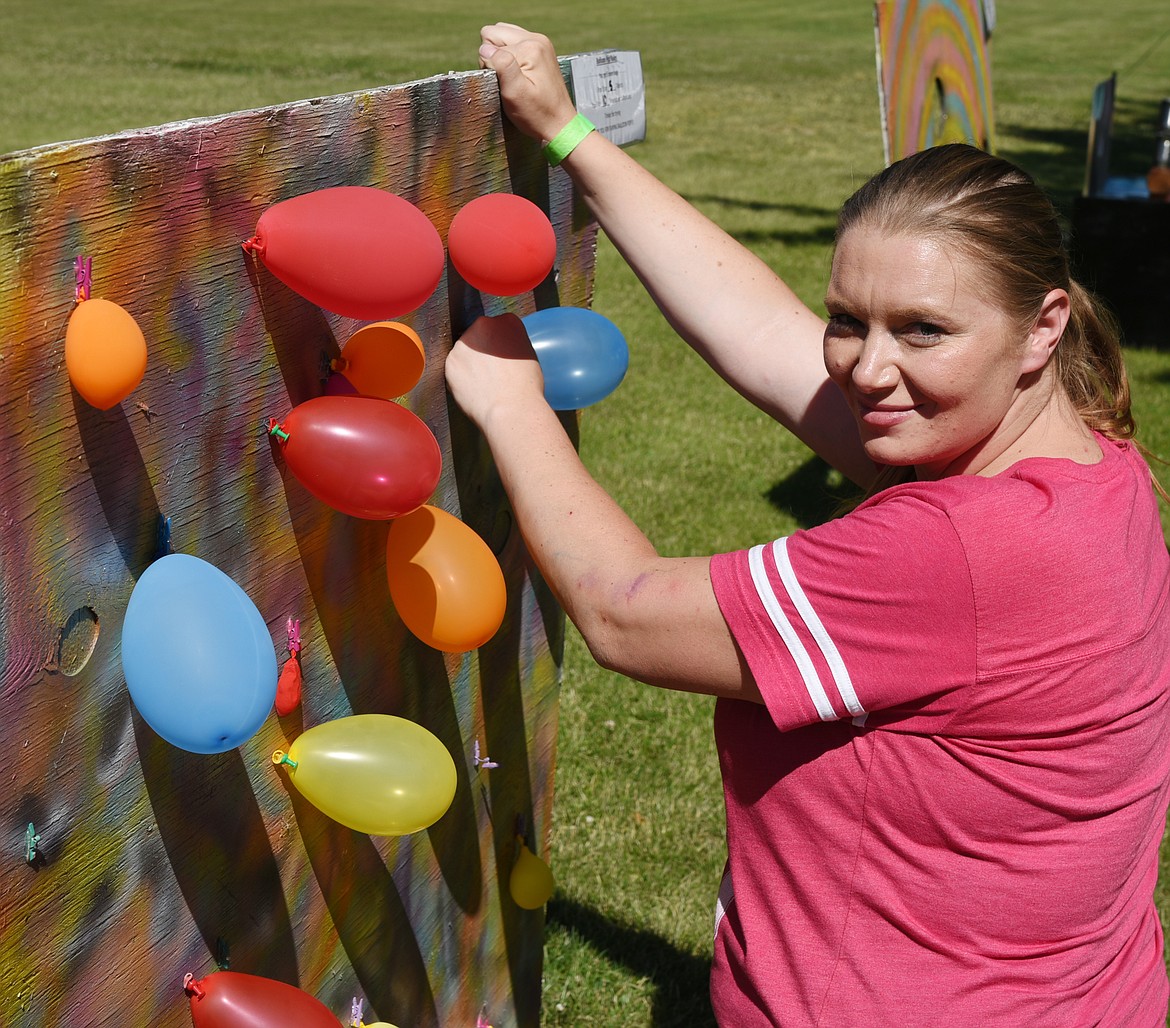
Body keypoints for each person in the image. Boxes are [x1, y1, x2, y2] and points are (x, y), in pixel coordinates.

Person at [445, 23, 1170, 1026]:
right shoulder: (1091, 463)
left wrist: (510, 402)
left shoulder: (955, 551)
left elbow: (626, 612)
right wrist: (570, 136)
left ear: (1042, 327)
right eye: (851, 317)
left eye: (923, 328)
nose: (870, 367)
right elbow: (766, 336)